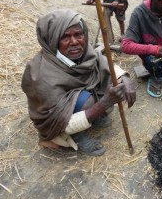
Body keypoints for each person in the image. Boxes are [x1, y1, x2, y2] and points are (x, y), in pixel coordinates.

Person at [21, 9, 136, 156]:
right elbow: (63, 123)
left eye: (78, 34)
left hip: (80, 99)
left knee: (105, 80)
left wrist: (124, 78)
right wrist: (104, 104)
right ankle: (78, 137)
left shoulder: (83, 52)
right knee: (86, 99)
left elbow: (103, 63)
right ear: (52, 40)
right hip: (58, 124)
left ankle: (91, 115)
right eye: (65, 37)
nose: (74, 42)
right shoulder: (40, 76)